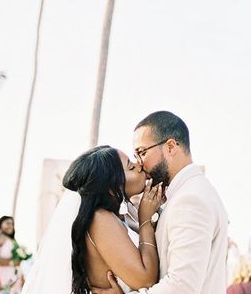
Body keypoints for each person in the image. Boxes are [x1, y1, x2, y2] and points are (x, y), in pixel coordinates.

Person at [92, 110, 230, 294]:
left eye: (142, 152)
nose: (139, 163)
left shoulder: (190, 199)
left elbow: (182, 286)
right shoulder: (185, 193)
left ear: (171, 147)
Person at [21, 145, 163, 293]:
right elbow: (145, 280)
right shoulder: (100, 219)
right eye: (131, 167)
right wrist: (145, 220)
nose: (139, 165)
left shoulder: (113, 218)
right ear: (110, 186)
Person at [0, 216, 19, 288]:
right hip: (0, 275)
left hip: (11, 277)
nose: (11, 226)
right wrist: (12, 262)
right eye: (8, 223)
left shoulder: (12, 240)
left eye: (12, 224)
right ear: (0, 224)